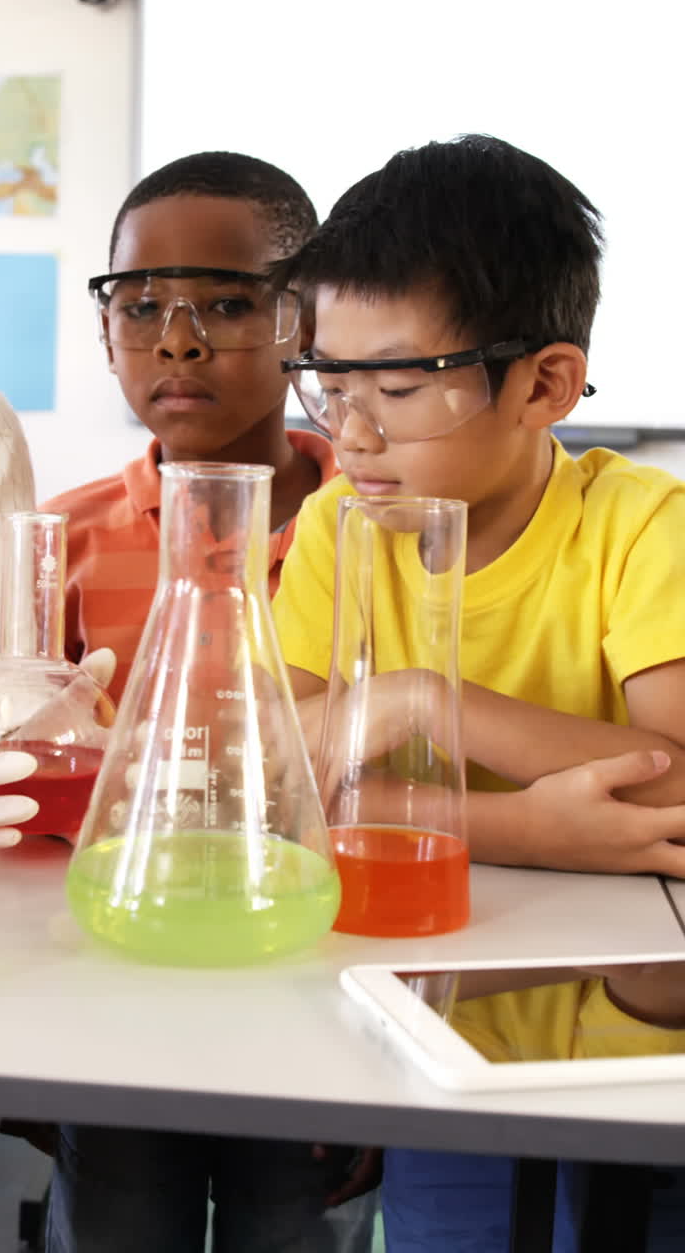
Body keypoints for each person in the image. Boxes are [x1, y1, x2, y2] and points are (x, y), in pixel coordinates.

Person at [269, 134, 685, 1250]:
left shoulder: (646, 528)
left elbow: (677, 794)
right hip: (439, 1044)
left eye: (399, 388)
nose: (351, 433)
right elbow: (273, 778)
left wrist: (420, 703)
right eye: (329, 385)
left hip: (644, 1046)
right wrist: (524, 826)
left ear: (545, 383)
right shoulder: (337, 524)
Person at [41, 151, 377, 1253]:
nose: (177, 341)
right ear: (106, 332)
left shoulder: (380, 532)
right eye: (140, 307)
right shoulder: (66, 541)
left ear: (305, 323)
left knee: (290, 1223)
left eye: (227, 305)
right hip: (121, 994)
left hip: (317, 993)